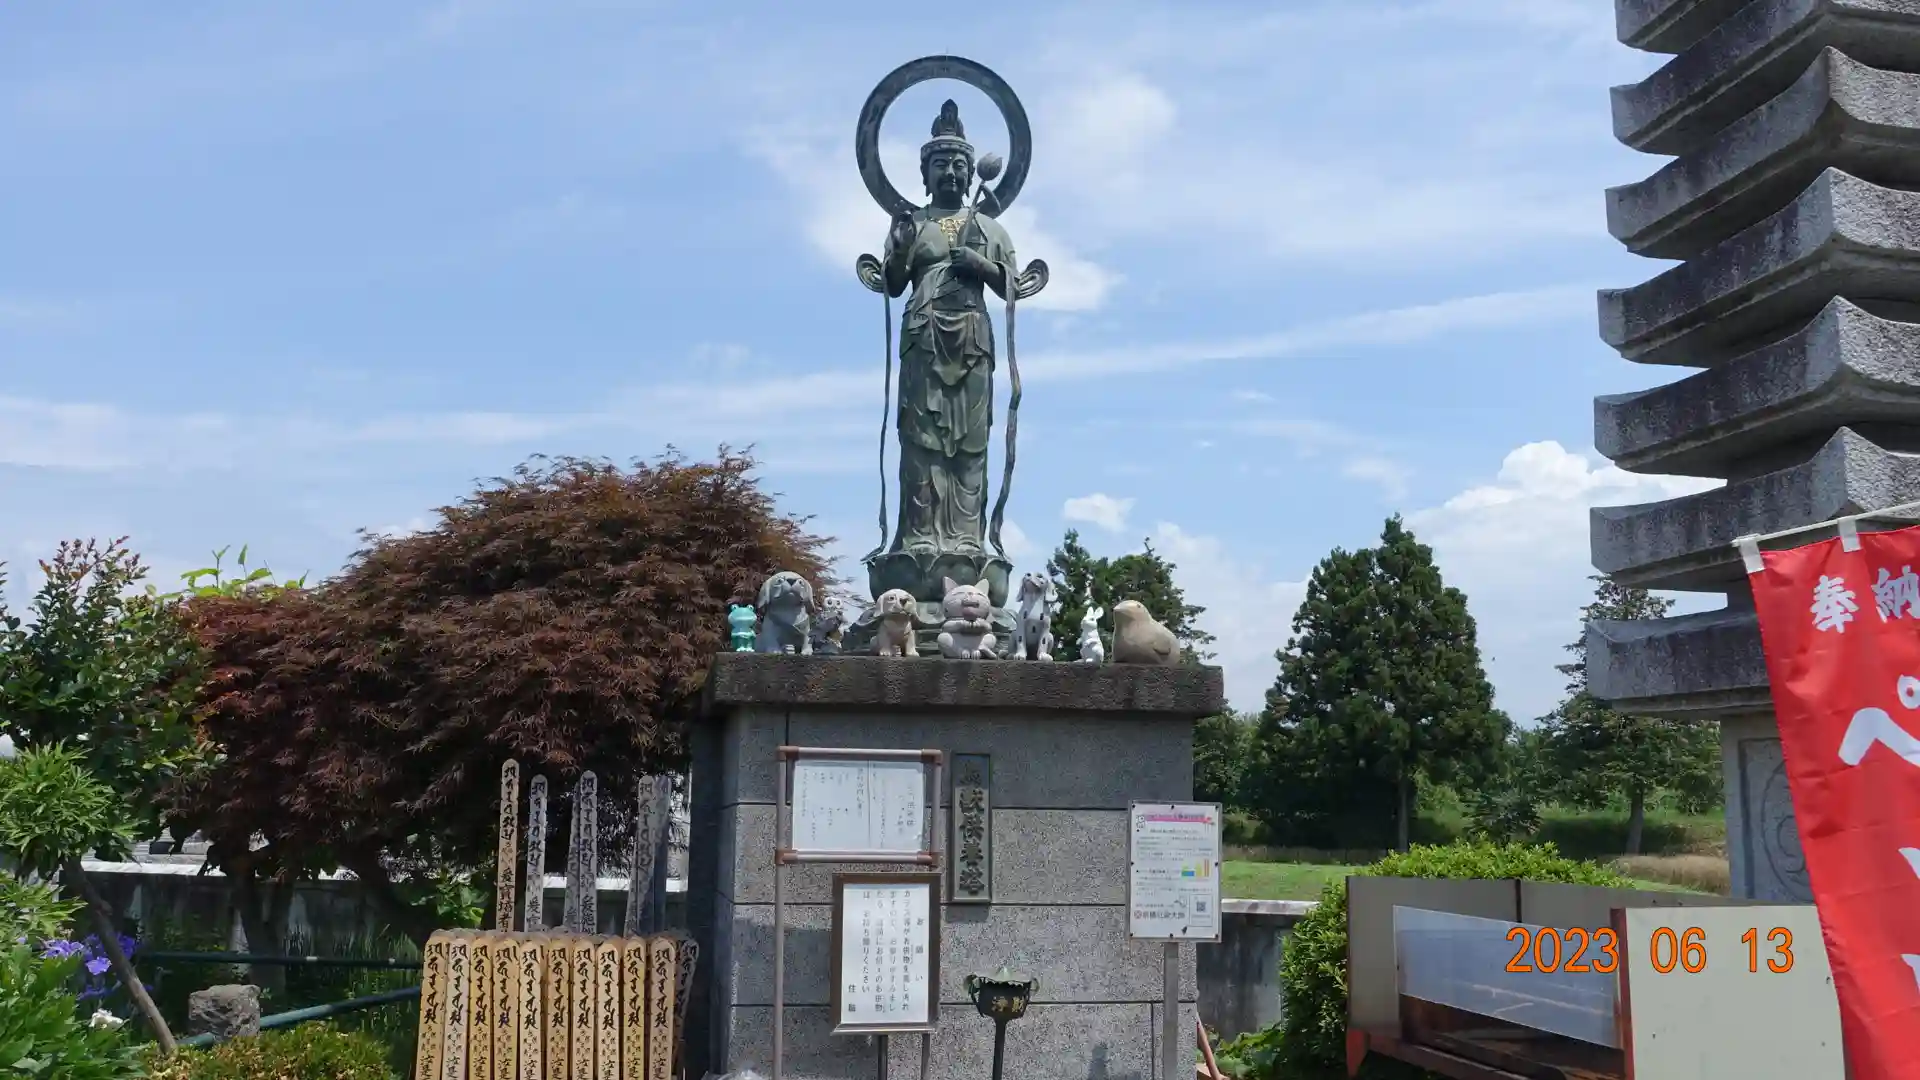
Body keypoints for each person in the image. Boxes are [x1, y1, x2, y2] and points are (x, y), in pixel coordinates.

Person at [880, 99, 1017, 558]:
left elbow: (1014, 286)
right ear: (925, 174)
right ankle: (918, 536)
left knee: (971, 442)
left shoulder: (990, 229)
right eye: (941, 165)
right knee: (920, 441)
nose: (952, 173)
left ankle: (967, 539)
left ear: (972, 173)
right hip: (924, 338)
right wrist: (901, 250)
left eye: (959, 165)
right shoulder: (912, 223)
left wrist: (981, 264)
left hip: (972, 341)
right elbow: (892, 284)